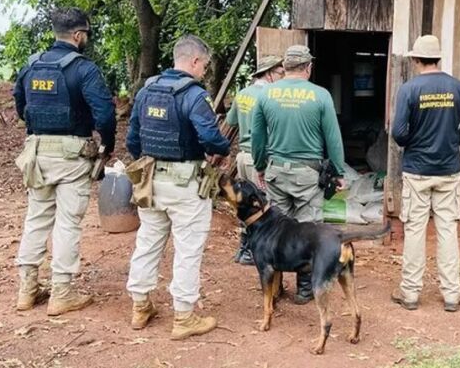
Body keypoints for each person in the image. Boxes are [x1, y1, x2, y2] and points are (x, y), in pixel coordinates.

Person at [125, 35, 231, 340]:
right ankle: (184, 317)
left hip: (150, 181)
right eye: (205, 66)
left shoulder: (147, 90)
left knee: (148, 242)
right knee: (187, 249)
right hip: (185, 183)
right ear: (195, 61)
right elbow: (211, 138)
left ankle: (140, 306)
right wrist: (221, 148)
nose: (205, 72)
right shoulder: (195, 95)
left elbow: (133, 138)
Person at [13, 7, 116, 316]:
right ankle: (61, 293)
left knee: (36, 218)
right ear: (78, 35)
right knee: (68, 222)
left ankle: (27, 290)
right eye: (86, 35)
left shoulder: (31, 65)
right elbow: (105, 113)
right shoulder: (83, 69)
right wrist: (106, 144)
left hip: (36, 151)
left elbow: (20, 104)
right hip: (72, 154)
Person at [390, 35, 460, 313]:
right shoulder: (458, 88)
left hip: (417, 170)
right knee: (447, 231)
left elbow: (398, 133)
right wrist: (450, 141)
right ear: (438, 58)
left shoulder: (409, 89)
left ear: (416, 59)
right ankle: (452, 294)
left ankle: (411, 293)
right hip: (449, 171)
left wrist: (415, 144)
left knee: (415, 230)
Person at [250, 44, 346, 304]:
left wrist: (260, 165)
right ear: (308, 67)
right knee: (308, 231)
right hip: (308, 175)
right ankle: (305, 289)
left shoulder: (266, 94)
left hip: (276, 171)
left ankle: (276, 287)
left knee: (276, 231)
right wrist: (337, 171)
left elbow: (257, 137)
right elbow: (333, 139)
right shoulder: (321, 95)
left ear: (284, 68)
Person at [225, 55, 284, 264]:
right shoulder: (271, 95)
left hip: (242, 156)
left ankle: (243, 249)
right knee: (262, 205)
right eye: (279, 72)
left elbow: (231, 121)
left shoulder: (242, 94)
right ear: (268, 74)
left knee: (244, 204)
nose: (282, 76)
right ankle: (255, 250)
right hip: (260, 157)